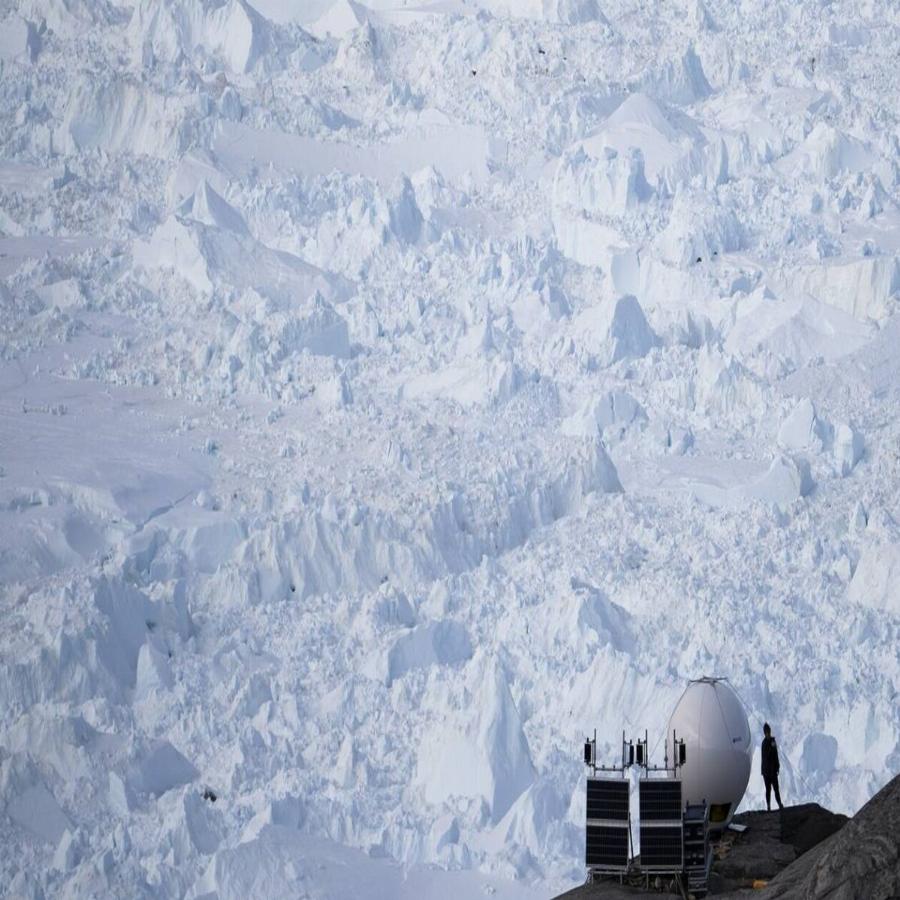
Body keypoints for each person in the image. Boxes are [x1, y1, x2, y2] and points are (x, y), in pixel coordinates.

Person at [761, 722, 783, 811]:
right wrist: (771, 747)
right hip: (766, 772)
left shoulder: (772, 741)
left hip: (773, 770)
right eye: (767, 733)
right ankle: (768, 806)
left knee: (776, 789)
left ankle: (779, 803)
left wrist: (777, 766)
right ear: (765, 733)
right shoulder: (764, 743)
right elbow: (766, 756)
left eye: (769, 732)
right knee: (768, 790)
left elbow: (776, 755)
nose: (768, 734)